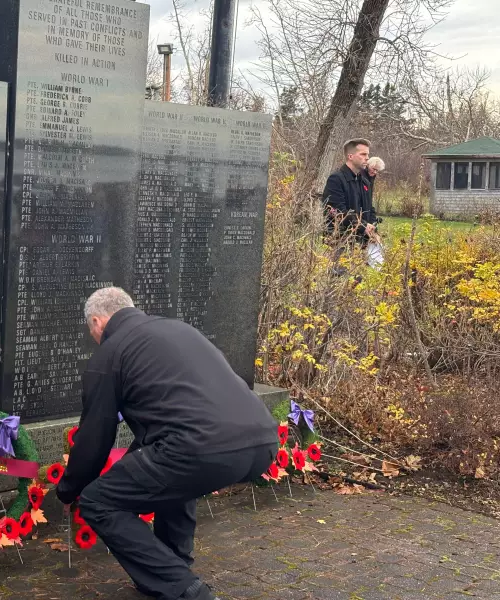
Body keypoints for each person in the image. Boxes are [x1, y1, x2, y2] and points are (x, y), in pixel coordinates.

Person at [56, 287, 278, 600]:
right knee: (168, 476)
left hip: (199, 447)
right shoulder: (181, 329)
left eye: (90, 330)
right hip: (263, 440)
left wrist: (70, 489)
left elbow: (95, 437)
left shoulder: (109, 354)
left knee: (99, 501)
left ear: (97, 322)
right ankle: (173, 566)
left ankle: (186, 591)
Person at [322, 138, 378, 245]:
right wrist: (362, 227)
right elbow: (337, 211)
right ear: (350, 156)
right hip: (339, 241)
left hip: (362, 241)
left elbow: (370, 209)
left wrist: (373, 229)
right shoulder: (336, 179)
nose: (367, 158)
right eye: (363, 154)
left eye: (368, 155)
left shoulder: (365, 181)